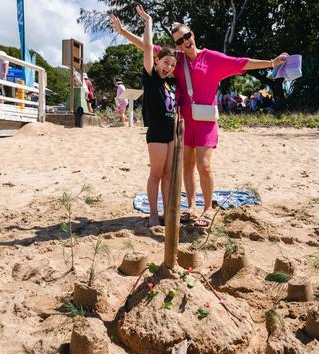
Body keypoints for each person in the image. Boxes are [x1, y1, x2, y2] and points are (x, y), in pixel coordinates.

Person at [111, 9, 287, 226]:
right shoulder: (177, 60)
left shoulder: (212, 57)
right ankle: (192, 206)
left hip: (205, 121)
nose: (186, 41)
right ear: (176, 45)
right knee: (186, 166)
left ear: (192, 35)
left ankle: (207, 208)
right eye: (180, 40)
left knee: (204, 166)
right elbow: (146, 47)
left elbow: (241, 62)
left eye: (187, 36)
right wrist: (123, 32)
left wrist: (271, 62)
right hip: (184, 121)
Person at [133, 6, 179, 227]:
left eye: (172, 65)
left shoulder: (169, 84)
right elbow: (148, 47)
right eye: (165, 62)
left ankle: (167, 212)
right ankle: (153, 213)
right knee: (157, 174)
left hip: (171, 133)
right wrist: (148, 21)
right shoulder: (151, 78)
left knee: (169, 175)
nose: (168, 67)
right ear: (157, 61)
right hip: (157, 134)